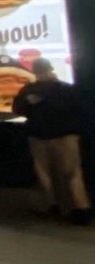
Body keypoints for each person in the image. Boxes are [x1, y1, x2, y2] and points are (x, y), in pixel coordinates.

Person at [12, 58, 91, 225]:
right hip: (64, 136)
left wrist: (30, 103)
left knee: (45, 174)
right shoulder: (65, 89)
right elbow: (79, 110)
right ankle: (80, 209)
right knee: (72, 174)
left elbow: (17, 109)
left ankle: (54, 206)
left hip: (40, 136)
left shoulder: (29, 90)